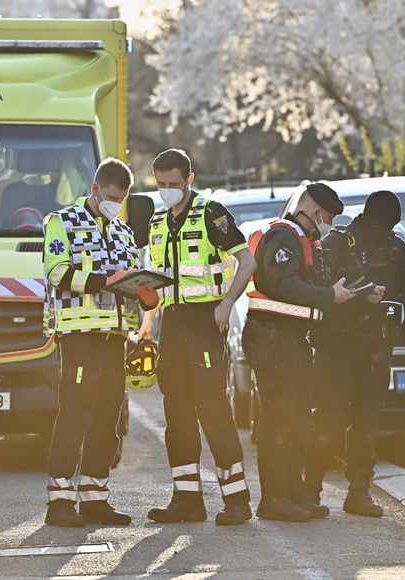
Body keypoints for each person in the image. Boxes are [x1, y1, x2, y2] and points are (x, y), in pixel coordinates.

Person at [140, 148, 256, 526]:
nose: (167, 191)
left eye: (173, 184)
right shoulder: (157, 220)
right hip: (172, 324)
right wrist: (146, 323)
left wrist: (226, 305)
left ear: (189, 179)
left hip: (204, 321)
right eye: (161, 185)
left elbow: (247, 261)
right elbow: (155, 279)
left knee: (213, 410)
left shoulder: (211, 213)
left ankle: (236, 500)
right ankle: (187, 500)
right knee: (177, 414)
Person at [42, 157, 158, 527]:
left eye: (120, 197)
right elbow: (57, 272)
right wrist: (105, 281)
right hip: (79, 336)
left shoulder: (123, 232)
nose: (114, 202)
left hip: (115, 337)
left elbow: (132, 277)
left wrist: (146, 296)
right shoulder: (62, 222)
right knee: (75, 413)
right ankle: (60, 501)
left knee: (109, 417)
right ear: (94, 189)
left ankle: (95, 498)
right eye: (109, 195)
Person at [242, 183, 355, 522]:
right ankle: (274, 500)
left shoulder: (302, 239)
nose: (329, 224)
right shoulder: (285, 237)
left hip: (287, 339)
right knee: (279, 420)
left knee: (294, 420)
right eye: (328, 217)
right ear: (315, 212)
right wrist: (328, 296)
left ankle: (293, 495)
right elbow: (282, 285)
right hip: (273, 339)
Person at [305, 190, 405, 517]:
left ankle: (359, 492)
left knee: (366, 422)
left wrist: (401, 309)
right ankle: (311, 490)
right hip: (336, 346)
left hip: (375, 347)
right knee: (329, 418)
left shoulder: (397, 248)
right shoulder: (338, 244)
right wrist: (362, 296)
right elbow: (321, 286)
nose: (382, 230)